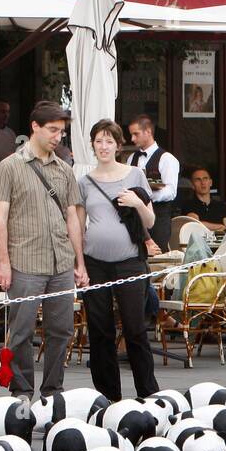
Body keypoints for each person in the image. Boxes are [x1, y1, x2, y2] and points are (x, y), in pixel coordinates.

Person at [0, 101, 88, 401]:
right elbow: (0, 219)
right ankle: (21, 391)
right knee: (21, 332)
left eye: (62, 131)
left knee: (61, 331)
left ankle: (53, 391)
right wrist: (3, 262)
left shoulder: (64, 169)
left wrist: (79, 262)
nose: (58, 137)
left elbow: (72, 217)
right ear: (35, 127)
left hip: (61, 260)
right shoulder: (9, 166)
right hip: (25, 260)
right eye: (52, 130)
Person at [77, 118, 159, 401]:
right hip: (94, 260)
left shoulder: (134, 174)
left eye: (108, 141)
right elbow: (77, 224)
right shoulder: (84, 181)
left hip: (129, 259)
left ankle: (148, 394)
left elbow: (150, 219)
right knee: (100, 330)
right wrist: (79, 263)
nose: (103, 146)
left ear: (118, 144)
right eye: (98, 141)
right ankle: (107, 396)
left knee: (135, 328)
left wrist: (137, 203)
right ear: (92, 145)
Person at [128, 115, 179, 250]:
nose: (132, 139)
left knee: (158, 259)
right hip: (135, 220)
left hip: (158, 219)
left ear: (148, 132)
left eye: (136, 134)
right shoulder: (131, 158)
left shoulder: (167, 159)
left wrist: (146, 196)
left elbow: (171, 191)